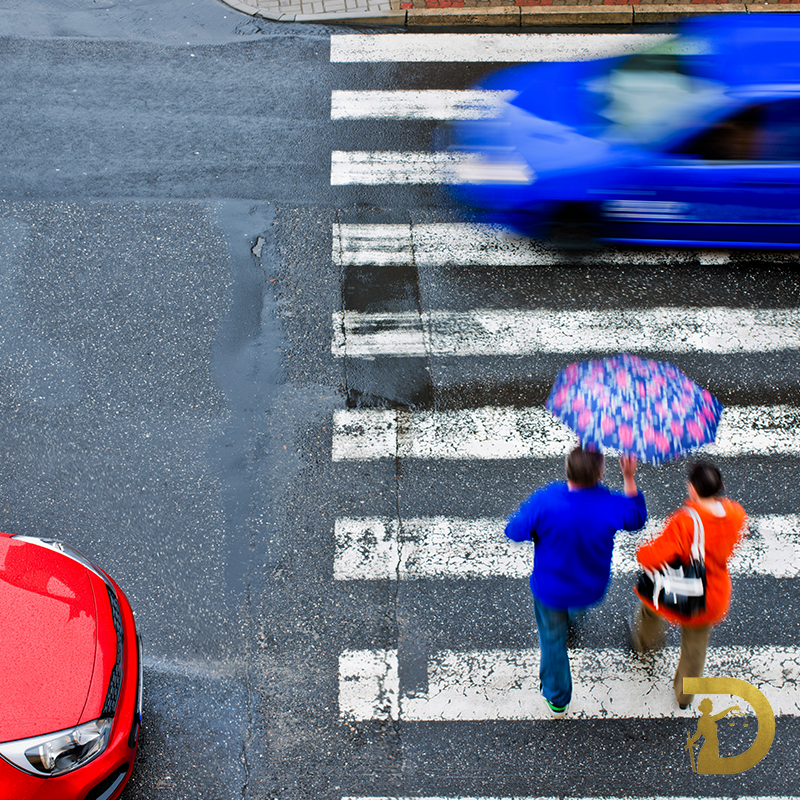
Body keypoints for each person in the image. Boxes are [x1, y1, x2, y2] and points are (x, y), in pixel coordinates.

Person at [505, 447, 647, 717]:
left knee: (552, 640)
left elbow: (514, 530)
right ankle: (573, 624)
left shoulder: (546, 501)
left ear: (567, 470)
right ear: (601, 473)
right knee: (575, 611)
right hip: (590, 587)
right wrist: (629, 477)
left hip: (551, 589)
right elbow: (637, 518)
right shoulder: (611, 504)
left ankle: (558, 697)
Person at [631, 461, 747, 709]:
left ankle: (646, 648)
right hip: (711, 595)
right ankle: (684, 696)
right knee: (695, 649)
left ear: (692, 488)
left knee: (650, 605)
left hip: (678, 591)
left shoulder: (686, 522)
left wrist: (641, 553)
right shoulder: (736, 514)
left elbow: (656, 556)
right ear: (720, 486)